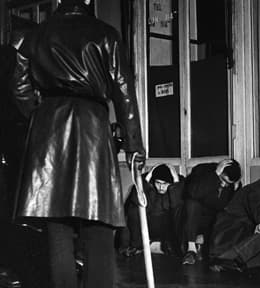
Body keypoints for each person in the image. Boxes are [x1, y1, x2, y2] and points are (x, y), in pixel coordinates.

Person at [9, 0, 145, 287]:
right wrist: (134, 143)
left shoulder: (34, 36)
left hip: (49, 129)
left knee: (57, 226)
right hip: (92, 127)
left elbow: (19, 88)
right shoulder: (105, 34)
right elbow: (124, 90)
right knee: (98, 223)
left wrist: (41, 117)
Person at [182, 159, 241, 265]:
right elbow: (193, 193)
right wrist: (215, 175)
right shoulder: (201, 170)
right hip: (195, 217)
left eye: (228, 183)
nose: (223, 185)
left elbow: (230, 208)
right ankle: (191, 250)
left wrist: (236, 191)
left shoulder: (233, 184)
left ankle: (209, 249)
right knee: (192, 204)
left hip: (214, 221)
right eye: (222, 180)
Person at [120, 164, 185, 257]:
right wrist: (147, 180)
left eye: (165, 184)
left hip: (169, 228)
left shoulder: (179, 185)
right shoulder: (147, 185)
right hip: (149, 226)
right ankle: (137, 246)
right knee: (133, 209)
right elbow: (134, 201)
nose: (161, 187)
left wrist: (175, 184)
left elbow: (178, 208)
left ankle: (170, 247)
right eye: (158, 183)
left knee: (180, 211)